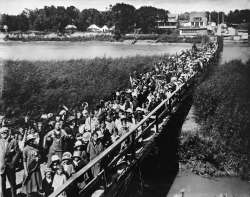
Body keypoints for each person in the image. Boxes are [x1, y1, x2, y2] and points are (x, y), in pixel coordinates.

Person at [0, 127, 20, 197]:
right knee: (2, 183)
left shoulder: (13, 141)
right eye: (2, 133)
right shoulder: (0, 141)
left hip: (10, 165)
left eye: (5, 132)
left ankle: (13, 195)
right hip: (1, 166)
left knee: (12, 183)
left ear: (8, 133)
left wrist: (13, 163)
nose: (3, 134)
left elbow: (17, 153)